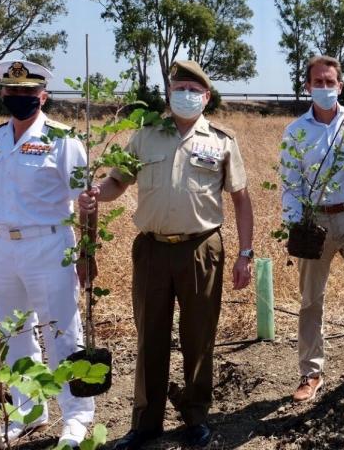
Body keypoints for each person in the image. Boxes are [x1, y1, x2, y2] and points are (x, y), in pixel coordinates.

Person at [77, 60, 254, 449]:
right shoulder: (144, 136)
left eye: (194, 90)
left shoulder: (222, 141)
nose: (186, 95)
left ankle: (195, 417)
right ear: (168, 93)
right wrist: (95, 194)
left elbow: (241, 199)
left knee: (199, 338)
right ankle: (145, 423)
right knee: (150, 337)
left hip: (201, 250)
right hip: (152, 251)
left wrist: (245, 253)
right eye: (179, 88)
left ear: (206, 97)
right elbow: (116, 183)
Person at [0, 59, 95, 447]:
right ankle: (28, 412)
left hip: (51, 243)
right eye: (13, 91)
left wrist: (88, 253)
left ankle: (76, 417)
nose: (19, 97)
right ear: (3, 94)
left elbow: (87, 200)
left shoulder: (63, 140)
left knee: (62, 331)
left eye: (28, 92)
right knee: (15, 332)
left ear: (43, 96)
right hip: (5, 246)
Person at [279, 55, 344, 403]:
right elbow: (290, 184)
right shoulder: (296, 131)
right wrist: (296, 225)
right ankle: (310, 373)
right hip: (315, 221)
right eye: (318, 82)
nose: (325, 88)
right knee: (311, 299)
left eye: (331, 82)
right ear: (307, 86)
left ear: (341, 86)